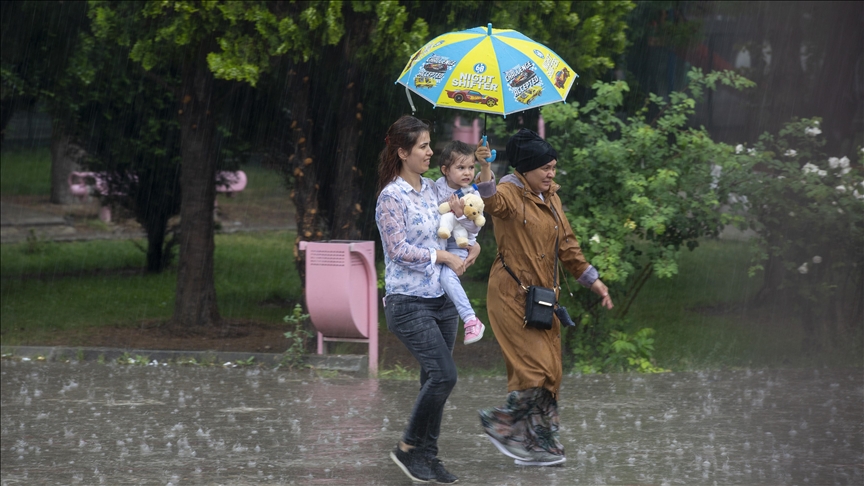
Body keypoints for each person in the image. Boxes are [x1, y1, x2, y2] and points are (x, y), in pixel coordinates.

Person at [475, 128, 614, 467]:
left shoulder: (551, 197)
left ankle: (540, 444)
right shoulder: (510, 191)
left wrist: (592, 280)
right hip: (510, 295)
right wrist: (483, 169)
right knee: (534, 369)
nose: (551, 174)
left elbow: (566, 244)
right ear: (526, 169)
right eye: (545, 168)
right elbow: (490, 200)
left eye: (554, 167)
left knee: (551, 373)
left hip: (542, 298)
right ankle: (501, 424)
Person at [375, 115, 471, 484]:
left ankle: (427, 456)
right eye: (423, 146)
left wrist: (470, 243)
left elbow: (469, 209)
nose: (431, 152)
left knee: (432, 379)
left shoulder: (434, 189)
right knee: (445, 375)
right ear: (402, 152)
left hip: (442, 299)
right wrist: (441, 257)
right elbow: (397, 250)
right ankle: (407, 448)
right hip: (408, 301)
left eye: (430, 145)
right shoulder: (390, 197)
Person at [434, 140, 494, 344]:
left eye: (470, 167)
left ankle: (471, 320)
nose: (467, 173)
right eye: (460, 167)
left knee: (447, 278)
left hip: (461, 244)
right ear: (445, 170)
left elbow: (475, 227)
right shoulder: (436, 187)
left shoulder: (472, 193)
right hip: (441, 242)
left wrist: (460, 214)